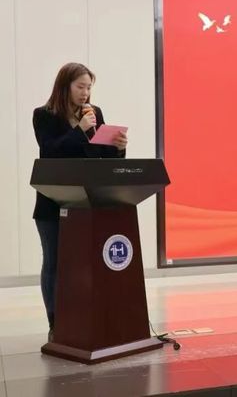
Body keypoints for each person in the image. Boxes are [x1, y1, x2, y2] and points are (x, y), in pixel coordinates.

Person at [32, 62, 128, 341]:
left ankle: (84, 319)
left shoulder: (94, 113)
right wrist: (79, 129)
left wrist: (118, 148)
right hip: (53, 203)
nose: (86, 93)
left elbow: (101, 158)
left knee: (85, 265)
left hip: (88, 204)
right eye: (80, 87)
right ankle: (55, 323)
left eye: (88, 87)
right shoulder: (44, 115)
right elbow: (49, 152)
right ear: (65, 86)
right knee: (54, 263)